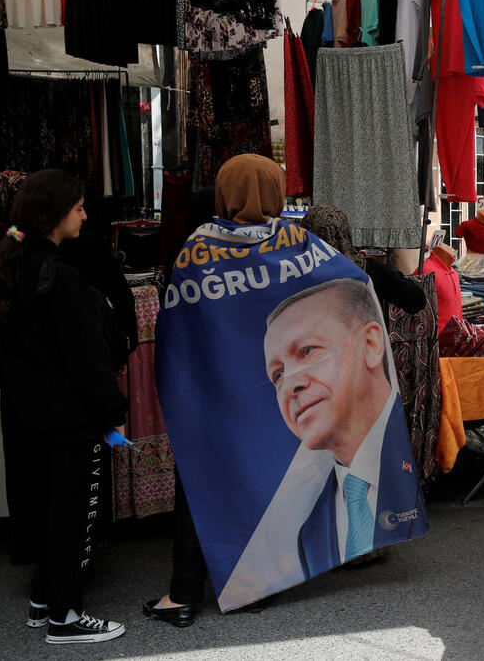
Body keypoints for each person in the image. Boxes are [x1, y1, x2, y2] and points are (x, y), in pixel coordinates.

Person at [0, 169, 127, 644]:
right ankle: (65, 617)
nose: (85, 215)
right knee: (68, 514)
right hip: (67, 420)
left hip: (21, 414)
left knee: (41, 510)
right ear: (55, 215)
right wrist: (112, 411)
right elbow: (87, 359)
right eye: (78, 208)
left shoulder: (3, 266)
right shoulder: (62, 279)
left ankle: (42, 599)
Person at [144, 153, 288, 628]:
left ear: (225, 193)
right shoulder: (295, 246)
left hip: (211, 394)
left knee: (199, 487)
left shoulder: (198, 250)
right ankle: (254, 588)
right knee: (261, 481)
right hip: (269, 396)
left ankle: (183, 595)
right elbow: (349, 284)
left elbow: (176, 323)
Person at [262, 279, 427, 577]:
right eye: (277, 375)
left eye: (308, 350)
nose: (289, 385)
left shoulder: (402, 465)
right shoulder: (309, 534)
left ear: (371, 345)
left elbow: (415, 299)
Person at [301, 204, 426, 315]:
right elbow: (416, 300)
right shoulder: (367, 268)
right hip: (363, 339)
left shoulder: (296, 272)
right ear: (345, 232)